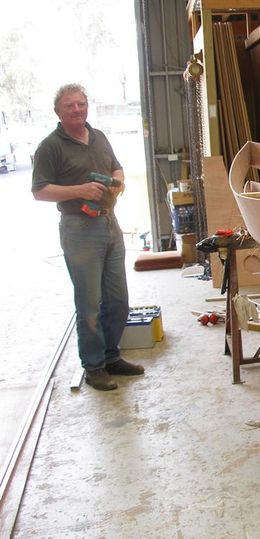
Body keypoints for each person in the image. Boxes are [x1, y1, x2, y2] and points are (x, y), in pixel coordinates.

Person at [31, 83, 144, 391]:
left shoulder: (99, 137)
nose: (77, 109)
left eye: (81, 104)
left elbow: (116, 167)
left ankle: (111, 357)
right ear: (58, 111)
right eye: (70, 106)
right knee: (89, 304)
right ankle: (94, 367)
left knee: (118, 300)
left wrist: (118, 181)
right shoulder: (50, 147)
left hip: (109, 224)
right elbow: (39, 190)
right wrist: (79, 190)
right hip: (78, 228)